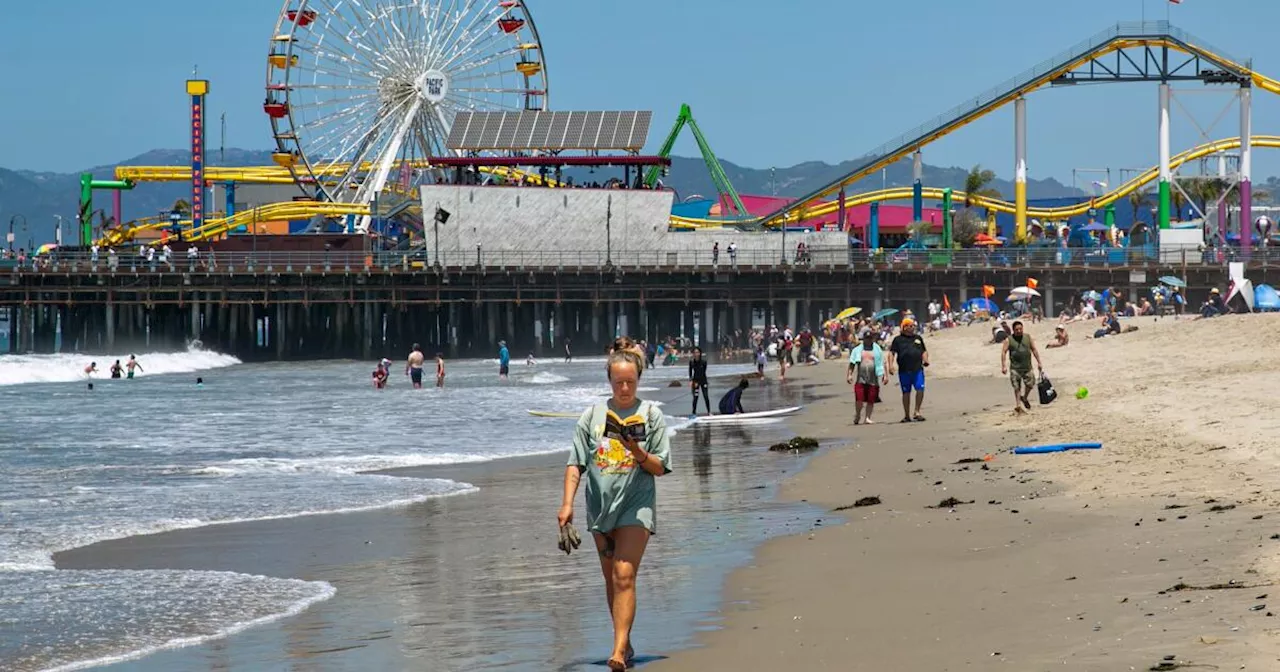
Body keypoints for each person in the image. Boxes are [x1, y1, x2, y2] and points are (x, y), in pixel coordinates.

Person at [558, 349, 670, 671]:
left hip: (636, 506)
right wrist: (566, 504)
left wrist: (637, 451)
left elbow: (660, 467)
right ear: (609, 380)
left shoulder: (651, 415)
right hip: (599, 509)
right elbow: (575, 464)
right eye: (618, 382)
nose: (624, 388)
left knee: (624, 573)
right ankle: (626, 639)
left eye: (630, 382)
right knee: (612, 580)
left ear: (638, 381)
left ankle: (618, 650)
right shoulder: (591, 416)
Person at [887, 318, 929, 423]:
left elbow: (923, 351)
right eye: (910, 326)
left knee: (920, 389)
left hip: (917, 369)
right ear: (905, 327)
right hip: (904, 370)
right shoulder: (898, 340)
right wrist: (891, 366)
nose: (913, 327)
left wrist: (925, 359)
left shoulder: (918, 338)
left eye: (913, 325)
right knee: (906, 392)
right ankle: (906, 415)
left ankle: (917, 412)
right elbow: (892, 353)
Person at [1000, 320, 1044, 414]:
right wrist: (1003, 366)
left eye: (1020, 329)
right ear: (1013, 330)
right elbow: (1004, 352)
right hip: (1015, 368)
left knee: (1030, 384)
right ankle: (1018, 405)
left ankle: (1024, 397)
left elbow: (1034, 350)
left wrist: (1039, 362)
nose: (1019, 331)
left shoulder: (1027, 337)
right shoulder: (1009, 339)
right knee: (1016, 387)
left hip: (1027, 366)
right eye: (1017, 329)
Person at [846, 329, 887, 425]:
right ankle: (858, 415)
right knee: (859, 399)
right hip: (861, 378)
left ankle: (867, 417)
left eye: (870, 338)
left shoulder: (877, 349)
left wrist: (885, 375)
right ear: (863, 339)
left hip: (873, 378)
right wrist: (849, 375)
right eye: (866, 338)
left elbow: (882, 362)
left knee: (871, 399)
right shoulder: (858, 350)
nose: (868, 340)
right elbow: (852, 363)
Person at [687, 347, 710, 416]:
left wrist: (701, 382)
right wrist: (691, 381)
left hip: (703, 381)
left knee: (706, 396)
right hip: (695, 381)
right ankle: (693, 412)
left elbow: (703, 372)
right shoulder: (691, 362)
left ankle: (709, 412)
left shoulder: (704, 362)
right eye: (695, 353)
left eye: (697, 352)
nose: (696, 354)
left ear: (700, 353)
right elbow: (690, 372)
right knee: (695, 397)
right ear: (693, 354)